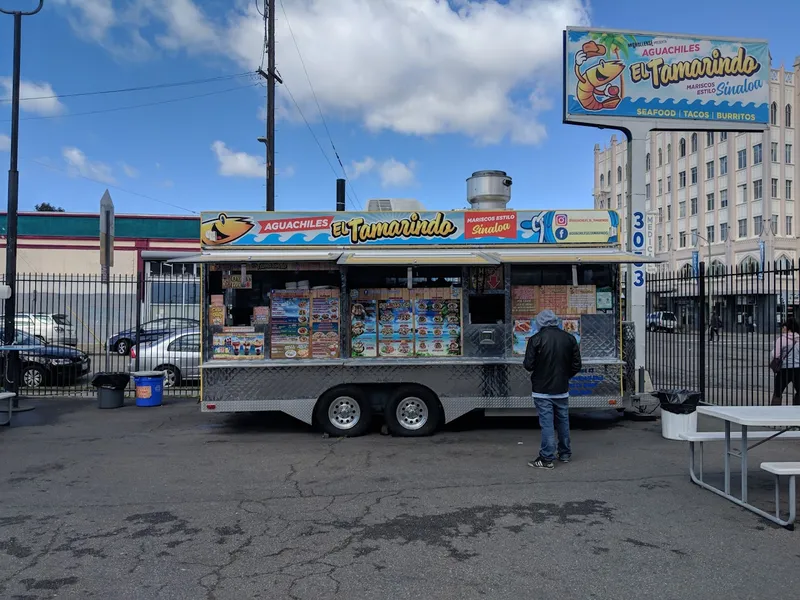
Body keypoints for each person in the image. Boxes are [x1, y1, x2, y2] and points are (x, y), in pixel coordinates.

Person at [523, 309, 582, 469]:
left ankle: (547, 458)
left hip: (542, 389)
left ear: (540, 322)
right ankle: (564, 453)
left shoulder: (536, 339)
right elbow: (577, 364)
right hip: (562, 388)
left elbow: (528, 365)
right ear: (556, 321)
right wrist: (565, 376)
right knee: (563, 421)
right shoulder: (569, 338)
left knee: (547, 424)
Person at [771, 317, 800, 406]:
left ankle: (774, 410)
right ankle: (796, 408)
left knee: (778, 392)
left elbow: (775, 355)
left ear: (788, 328)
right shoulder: (799, 338)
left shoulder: (781, 339)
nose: (782, 329)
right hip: (797, 369)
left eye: (784, 327)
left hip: (784, 369)